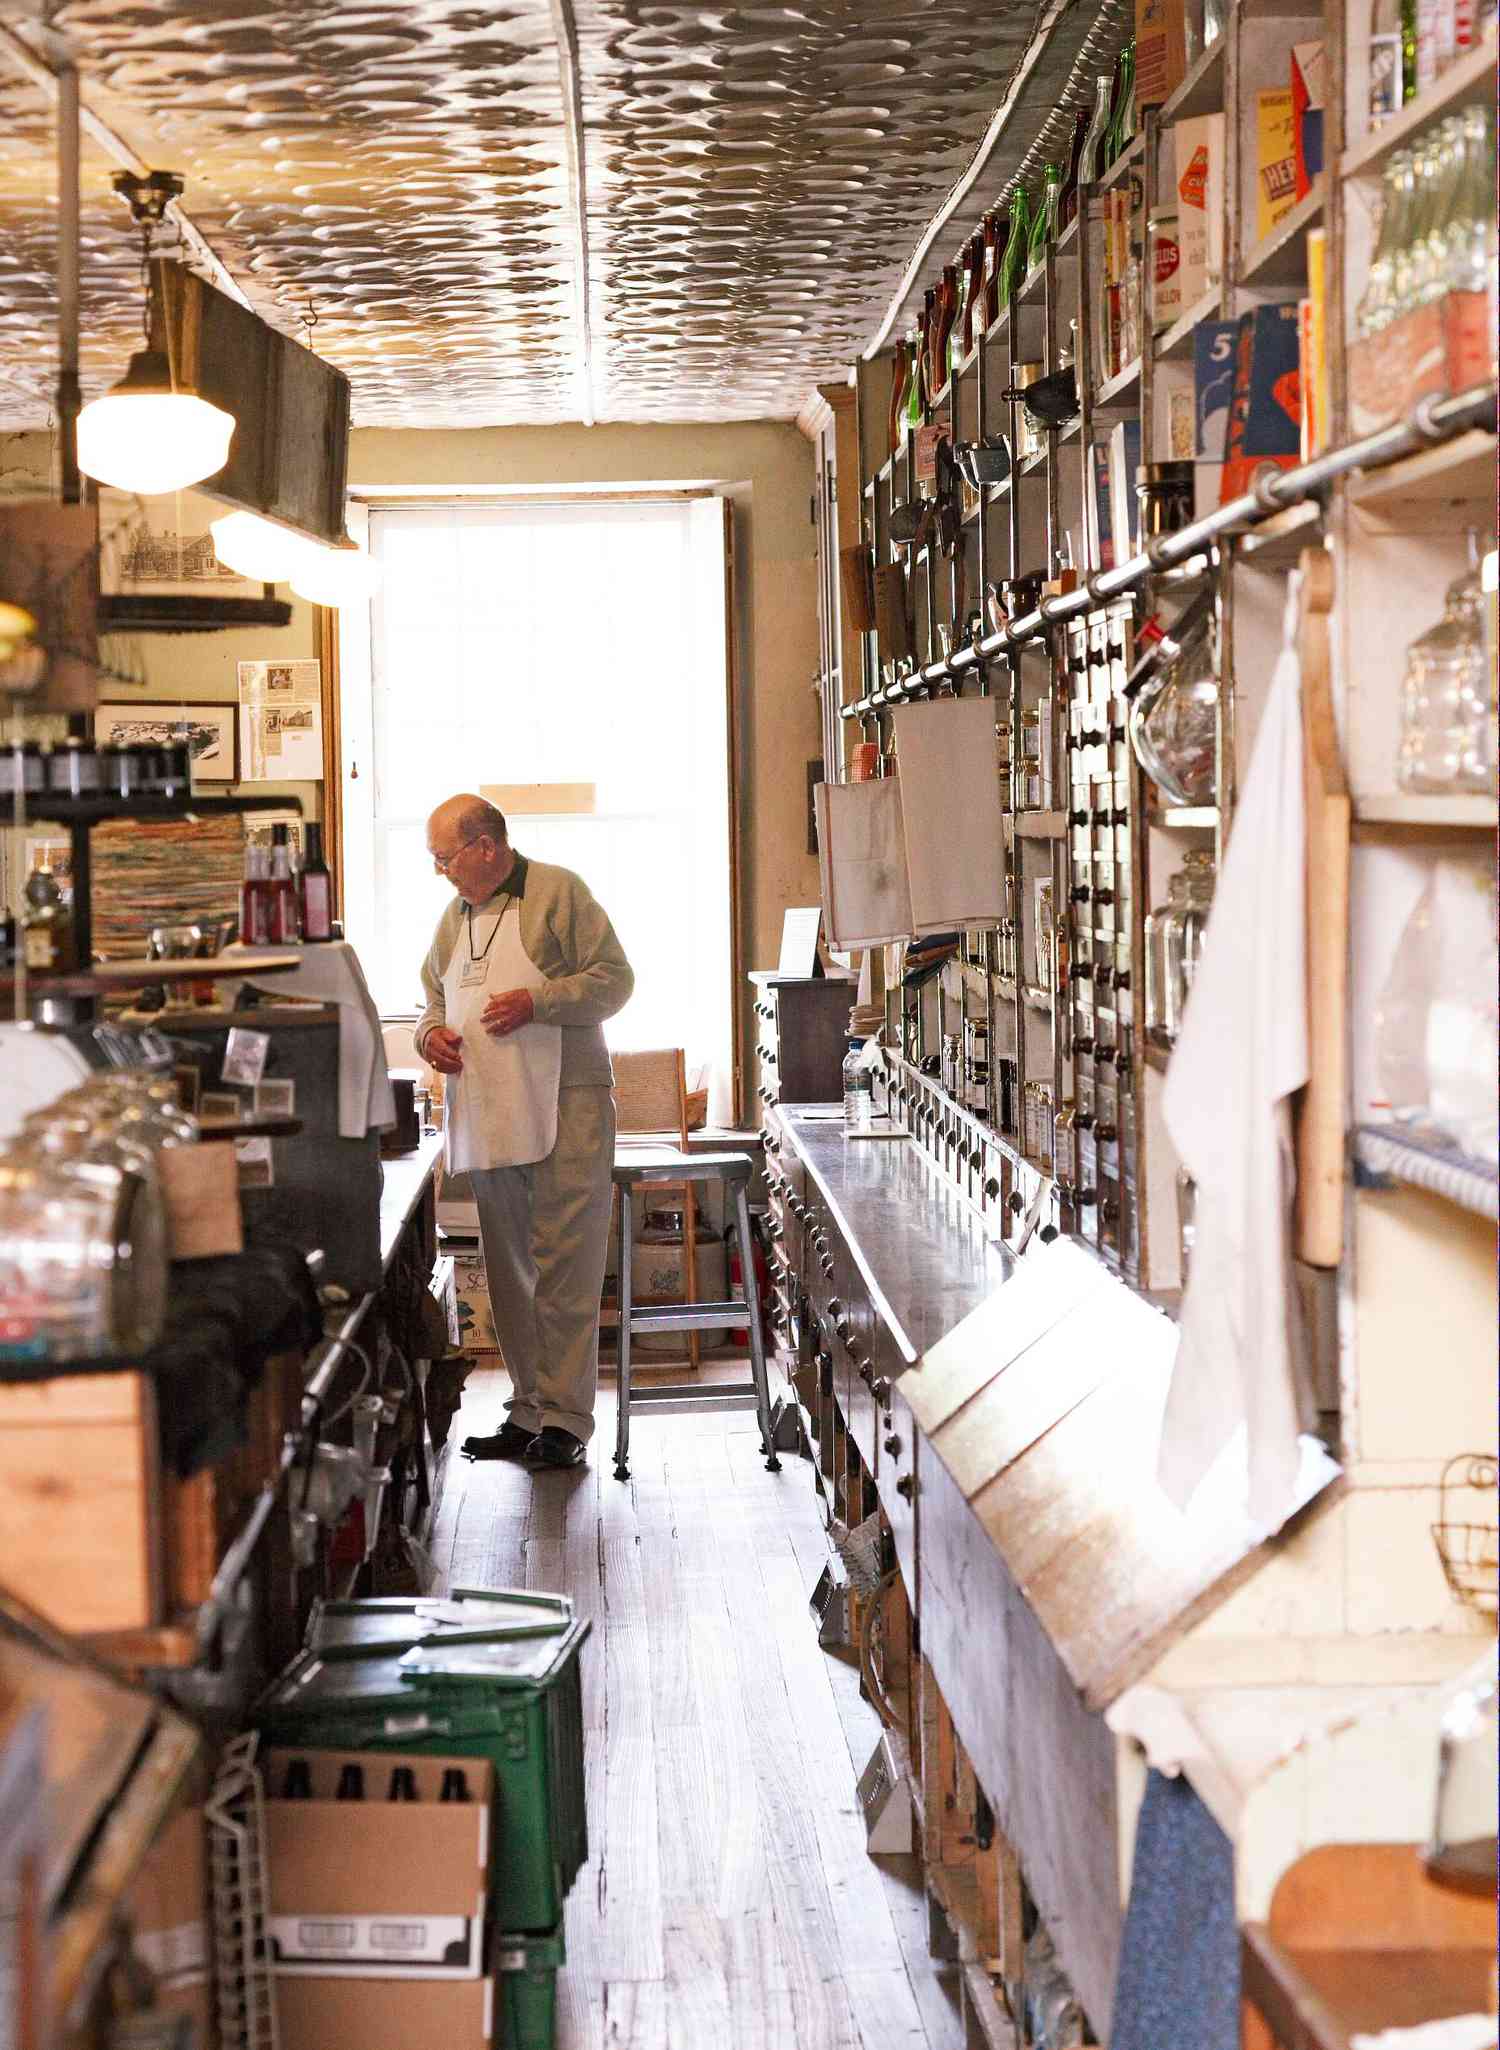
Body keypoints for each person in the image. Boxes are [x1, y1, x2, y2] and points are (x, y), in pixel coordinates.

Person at [417, 795, 633, 1469]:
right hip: (488, 1107)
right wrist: (431, 1037)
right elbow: (432, 995)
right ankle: (527, 1410)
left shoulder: (558, 893)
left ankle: (567, 1421)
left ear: (486, 846)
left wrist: (540, 1001)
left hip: (565, 1101)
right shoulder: (454, 919)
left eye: (445, 858)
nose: (442, 872)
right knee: (508, 1268)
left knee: (564, 1263)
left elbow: (614, 982)